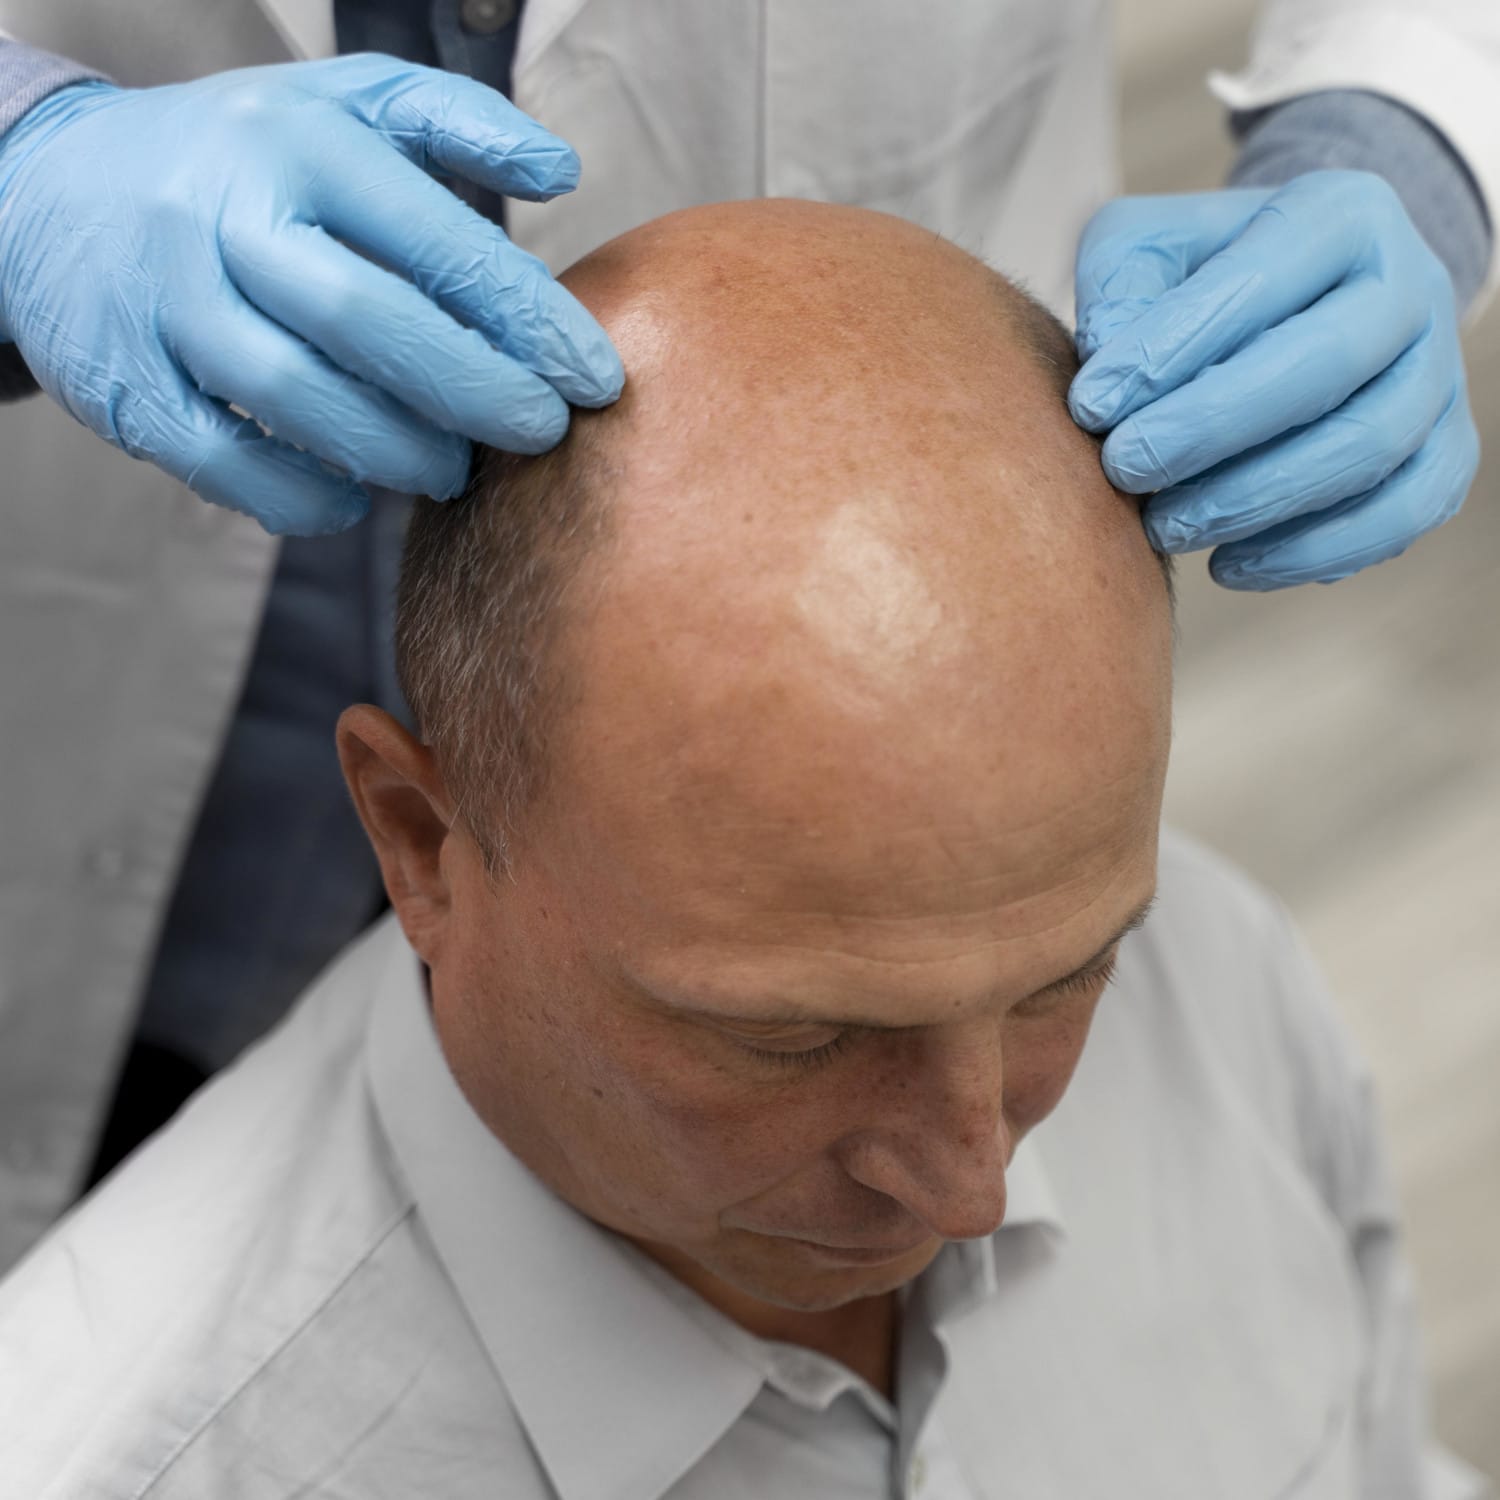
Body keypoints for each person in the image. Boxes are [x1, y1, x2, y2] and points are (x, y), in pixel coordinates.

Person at [0, 199, 1485, 1498]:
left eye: (1065, 981)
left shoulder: (1214, 983)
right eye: (795, 1039)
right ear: (419, 841)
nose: (970, 1184)